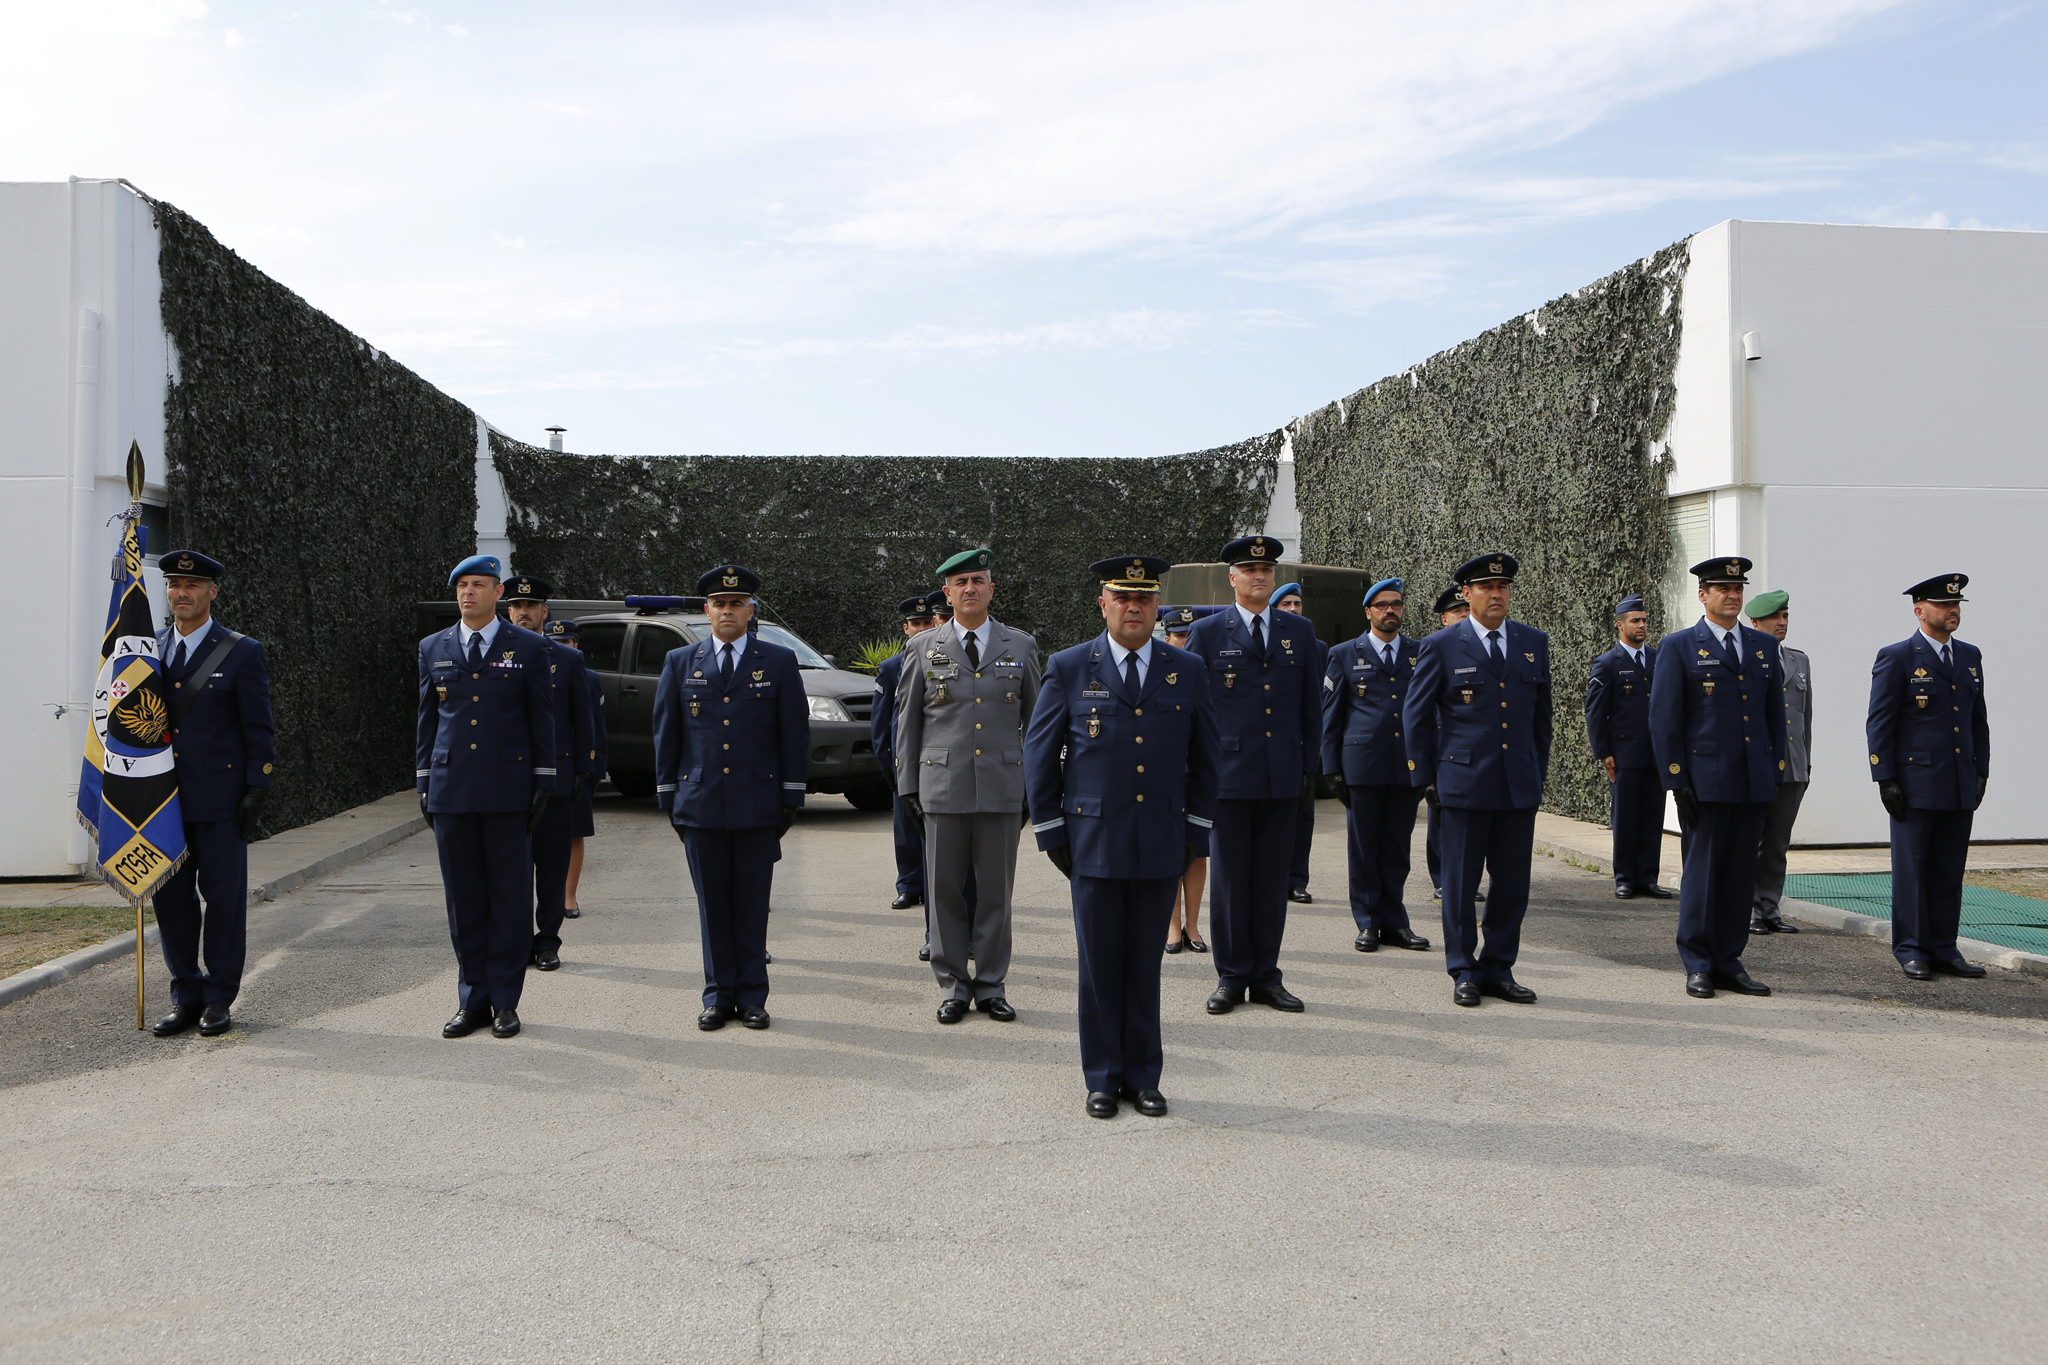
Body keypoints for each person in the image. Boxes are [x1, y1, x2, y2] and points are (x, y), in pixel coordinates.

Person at [1027, 556, 1219, 1119]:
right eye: (1122, 597)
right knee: (1100, 967)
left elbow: (1204, 760)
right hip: (1091, 842)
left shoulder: (1187, 669)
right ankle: (1104, 1077)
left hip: (1163, 838)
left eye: (1144, 598)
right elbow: (1040, 757)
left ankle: (1144, 1076)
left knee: (1145, 965)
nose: (1133, 607)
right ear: (1103, 604)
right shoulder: (1068, 667)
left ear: (1156, 607)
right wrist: (1052, 831)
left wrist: (1195, 831)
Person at [653, 565, 808, 1030]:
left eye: (736, 603)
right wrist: (668, 796)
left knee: (752, 904)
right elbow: (667, 734)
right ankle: (718, 996)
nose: (727, 611)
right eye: (719, 604)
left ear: (749, 610)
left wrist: (790, 797)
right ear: (707, 611)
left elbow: (793, 735)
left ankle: (753, 997)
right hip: (700, 803)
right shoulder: (681, 662)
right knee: (713, 905)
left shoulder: (777, 662)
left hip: (757, 802)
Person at [894, 547, 1041, 1024]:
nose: (971, 589)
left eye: (979, 580)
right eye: (962, 583)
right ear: (948, 593)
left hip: (1001, 787)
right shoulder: (922, 648)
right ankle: (954, 985)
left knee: (997, 894)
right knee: (944, 892)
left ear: (991, 589)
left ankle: (992, 984)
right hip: (942, 786)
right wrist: (908, 786)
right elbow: (908, 722)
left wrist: (1035, 788)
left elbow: (1036, 724)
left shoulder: (1020, 646)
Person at [418, 555, 555, 1040]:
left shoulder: (529, 646)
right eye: (462, 585)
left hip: (507, 790)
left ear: (499, 592)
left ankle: (504, 1001)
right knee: (464, 901)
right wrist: (423, 779)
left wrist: (543, 780)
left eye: (478, 584)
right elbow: (428, 719)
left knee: (510, 900)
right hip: (452, 789)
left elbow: (542, 718)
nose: (468, 592)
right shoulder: (433, 646)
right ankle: (471, 999)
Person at [1405, 553, 1551, 1007]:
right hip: (1464, 782)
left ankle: (1499, 967)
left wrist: (1535, 769)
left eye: (1503, 586)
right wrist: (1425, 776)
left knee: (1511, 885)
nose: (1496, 594)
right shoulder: (1443, 644)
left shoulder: (1532, 642)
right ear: (1466, 595)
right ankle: (1464, 968)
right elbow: (1416, 715)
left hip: (1516, 785)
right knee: (1461, 883)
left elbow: (1540, 719)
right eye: (1486, 587)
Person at [1183, 536, 1320, 1016]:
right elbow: (1196, 713)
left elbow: (1310, 708)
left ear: (1274, 577)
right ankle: (1231, 975)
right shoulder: (1206, 633)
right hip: (1228, 777)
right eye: (1249, 569)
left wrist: (1309, 769)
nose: (1259, 576)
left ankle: (1266, 976)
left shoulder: (1298, 632)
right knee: (1230, 882)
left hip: (1282, 775)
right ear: (1232, 578)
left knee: (1271, 881)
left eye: (1266, 570)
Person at [147, 550, 275, 1039]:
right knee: (172, 902)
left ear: (211, 592)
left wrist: (257, 788)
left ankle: (219, 996)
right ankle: (185, 994)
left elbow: (258, 727)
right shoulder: (147, 649)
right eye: (175, 585)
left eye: (192, 586)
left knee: (222, 902)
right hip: (160, 804)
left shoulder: (241, 651)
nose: (182, 593)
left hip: (220, 801)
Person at [1650, 557, 1787, 1000]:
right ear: (1703, 595)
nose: (1731, 594)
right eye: (1720, 588)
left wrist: (1775, 773)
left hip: (1752, 781)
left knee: (1740, 875)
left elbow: (1773, 720)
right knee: (1703, 874)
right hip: (1704, 782)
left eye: (1737, 588)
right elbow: (1665, 719)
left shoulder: (1762, 647)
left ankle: (1729, 960)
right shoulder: (1680, 646)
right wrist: (1676, 779)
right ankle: (1698, 962)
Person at [1867, 573, 1990, 981]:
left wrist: (1981, 771)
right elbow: (1880, 722)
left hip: (1958, 781)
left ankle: (1944, 947)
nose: (1952, 611)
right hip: (1915, 782)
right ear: (1920, 610)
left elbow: (1978, 722)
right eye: (1943, 605)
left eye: (1956, 605)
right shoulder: (1898, 656)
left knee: (1949, 870)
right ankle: (1911, 948)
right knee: (1913, 869)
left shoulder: (1970, 656)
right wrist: (1884, 777)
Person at [1321, 577, 1431, 954]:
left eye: (1396, 604)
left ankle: (1396, 922)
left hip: (1407, 765)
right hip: (1363, 765)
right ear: (1368, 612)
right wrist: (1331, 768)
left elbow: (1433, 714)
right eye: (1382, 605)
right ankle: (1368, 923)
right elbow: (1331, 715)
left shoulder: (1421, 653)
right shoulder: (1344, 653)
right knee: (1365, 848)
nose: (1390, 611)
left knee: (1397, 849)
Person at [504, 576, 594, 971]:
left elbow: (583, 719)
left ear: (544, 612)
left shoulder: (568, 660)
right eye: (516, 607)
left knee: (552, 865)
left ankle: (548, 940)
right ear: (508, 611)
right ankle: (519, 939)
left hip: (556, 778)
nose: (523, 612)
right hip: (509, 779)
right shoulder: (496, 653)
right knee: (512, 868)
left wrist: (584, 772)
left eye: (531, 606)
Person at [1585, 595, 1673, 902]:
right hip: (1624, 754)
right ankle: (1624, 878)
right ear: (1620, 625)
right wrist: (1603, 751)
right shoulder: (1608, 663)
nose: (1642, 626)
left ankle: (1648, 878)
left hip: (1655, 754)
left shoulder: (1659, 658)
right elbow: (1595, 711)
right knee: (1625, 817)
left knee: (1652, 816)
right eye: (1635, 621)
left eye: (1644, 620)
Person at [873, 593, 938, 935]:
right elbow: (882, 722)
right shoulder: (892, 667)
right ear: (906, 628)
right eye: (917, 624)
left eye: (929, 622)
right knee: (906, 829)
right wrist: (887, 761)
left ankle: (931, 888)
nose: (924, 628)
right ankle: (909, 885)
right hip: (904, 761)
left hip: (936, 763)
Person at [1745, 591, 1807, 935]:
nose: (1781, 623)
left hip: (1794, 765)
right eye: (1774, 618)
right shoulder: (1748, 659)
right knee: (1753, 840)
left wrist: (1805, 763)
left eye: (1785, 616)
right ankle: (1749, 908)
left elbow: (1803, 717)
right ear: (1755, 623)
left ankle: (1769, 906)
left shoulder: (1799, 661)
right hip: (1763, 765)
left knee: (1778, 843)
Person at [542, 618, 606, 920]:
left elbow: (593, 726)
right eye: (553, 641)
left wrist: (594, 768)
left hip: (573, 765)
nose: (559, 646)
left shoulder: (587, 676)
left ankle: (569, 895)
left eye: (565, 642)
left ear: (575, 646)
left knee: (574, 833)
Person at [1423, 585, 1479, 905]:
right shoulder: (1437, 649)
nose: (1464, 617)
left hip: (1470, 749)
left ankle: (1468, 878)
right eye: (1458, 613)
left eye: (1467, 612)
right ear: (1444, 619)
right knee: (1441, 818)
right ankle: (1442, 878)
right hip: (1442, 747)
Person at [1274, 582, 1326, 905]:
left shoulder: (1316, 647)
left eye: (1297, 603)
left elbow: (1316, 702)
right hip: (1271, 744)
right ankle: (1277, 879)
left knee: (1303, 818)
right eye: (1286, 604)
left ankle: (1297, 880)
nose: (1293, 609)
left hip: (1300, 744)